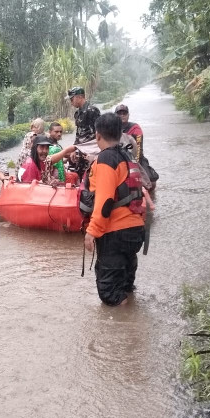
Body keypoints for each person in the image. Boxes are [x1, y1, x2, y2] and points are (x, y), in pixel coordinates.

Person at [83, 113, 148, 307]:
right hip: (135, 231)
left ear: (97, 136)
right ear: (121, 134)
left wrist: (91, 232)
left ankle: (121, 331)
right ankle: (132, 327)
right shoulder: (127, 156)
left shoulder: (105, 160)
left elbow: (104, 201)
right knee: (125, 285)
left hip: (116, 233)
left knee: (111, 293)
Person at [115, 104, 158, 190]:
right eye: (119, 113)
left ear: (128, 115)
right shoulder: (112, 128)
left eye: (124, 113)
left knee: (151, 182)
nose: (122, 115)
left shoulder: (135, 128)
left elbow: (138, 148)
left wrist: (134, 165)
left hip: (134, 157)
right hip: (116, 158)